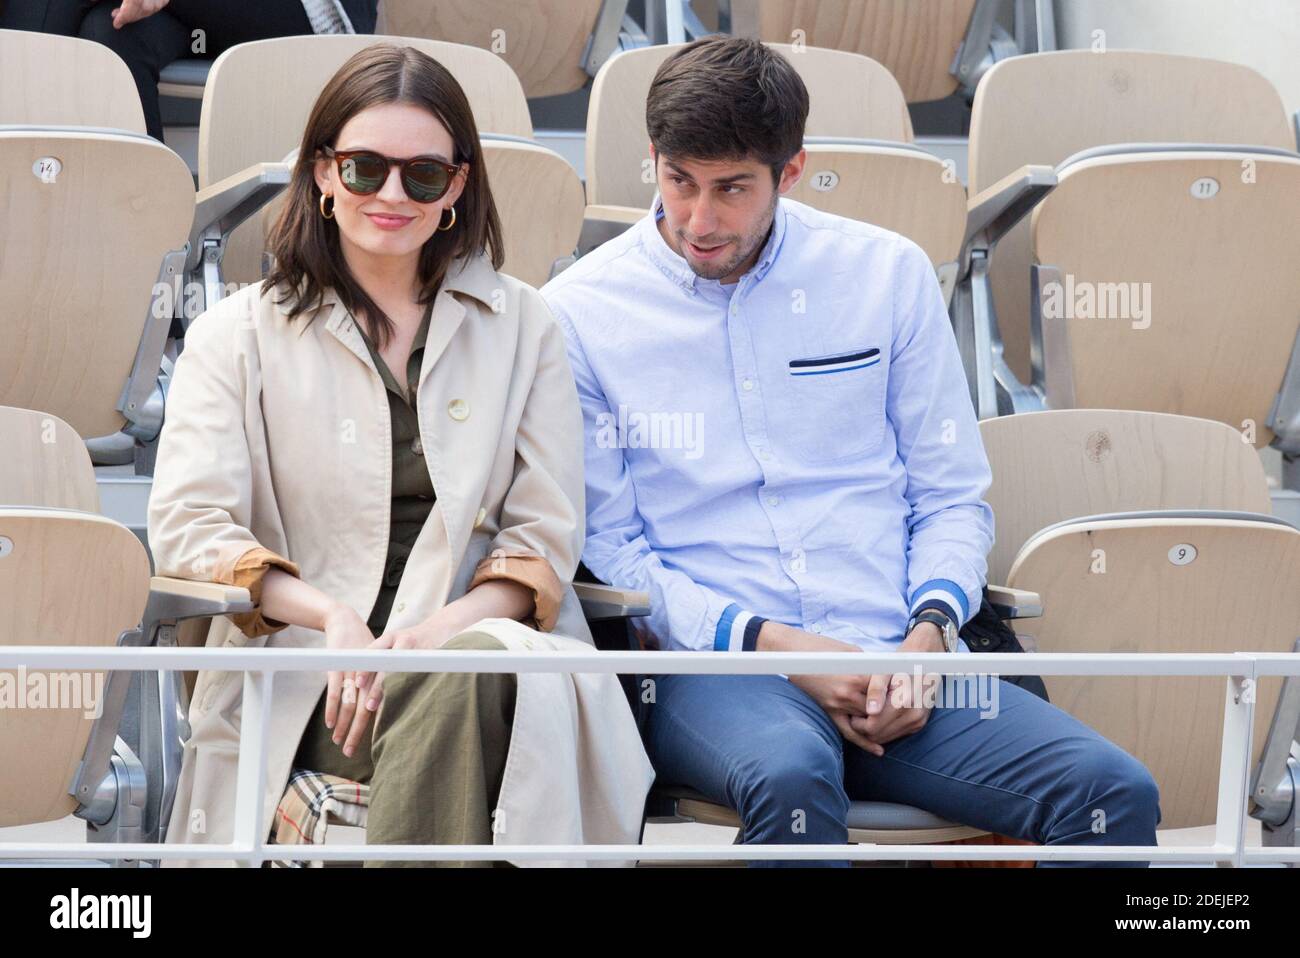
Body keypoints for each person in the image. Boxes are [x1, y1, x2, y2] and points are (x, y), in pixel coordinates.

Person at [542, 36, 1162, 867]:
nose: (699, 218)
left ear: (791, 172)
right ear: (651, 158)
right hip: (716, 670)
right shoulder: (577, 313)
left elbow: (948, 498)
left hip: (896, 654)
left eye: (732, 189)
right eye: (679, 181)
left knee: (1113, 791)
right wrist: (788, 652)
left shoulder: (887, 275)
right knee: (792, 775)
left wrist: (926, 641)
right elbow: (615, 553)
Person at [147, 44, 649, 867]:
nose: (391, 195)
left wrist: (433, 636)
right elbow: (191, 529)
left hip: (485, 653)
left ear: (456, 187)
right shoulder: (233, 337)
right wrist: (334, 620)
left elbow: (543, 538)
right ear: (321, 174)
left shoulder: (525, 325)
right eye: (365, 168)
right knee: (452, 689)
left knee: (461, 676)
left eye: (422, 175)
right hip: (311, 677)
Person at [0, 0, 378, 140]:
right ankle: (155, 268)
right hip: (188, 18)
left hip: (302, 11)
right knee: (111, 38)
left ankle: (23, 200)